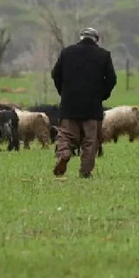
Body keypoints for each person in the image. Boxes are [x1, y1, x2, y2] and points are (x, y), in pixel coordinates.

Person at [51, 27, 117, 178]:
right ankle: (85, 172)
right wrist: (102, 95)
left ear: (81, 37)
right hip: (92, 106)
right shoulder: (103, 55)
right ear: (96, 39)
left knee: (66, 135)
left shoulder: (66, 52)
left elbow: (55, 74)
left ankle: (64, 153)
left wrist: (63, 92)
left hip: (69, 103)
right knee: (90, 140)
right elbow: (112, 79)